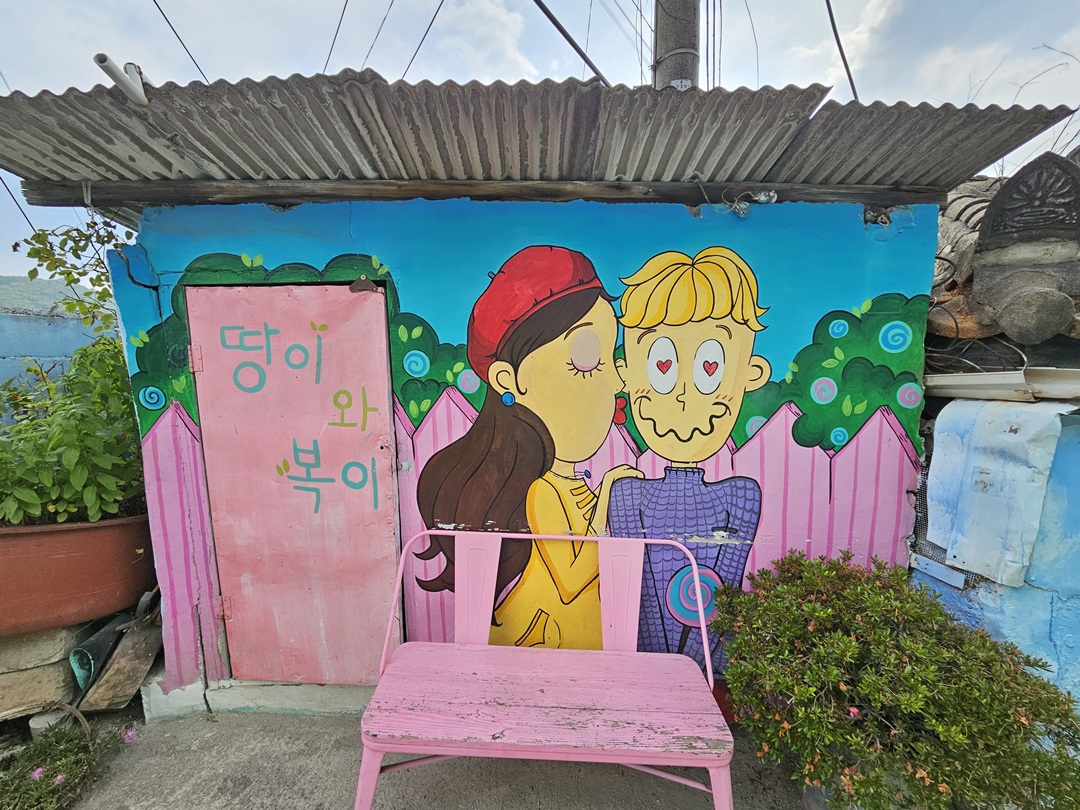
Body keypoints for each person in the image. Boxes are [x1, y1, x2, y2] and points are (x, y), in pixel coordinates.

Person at [417, 245, 641, 650]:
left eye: (612, 358)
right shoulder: (541, 491)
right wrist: (609, 493)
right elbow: (570, 580)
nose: (617, 381)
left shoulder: (571, 485)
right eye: (588, 358)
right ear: (510, 380)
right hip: (545, 637)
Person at [608, 245, 771, 672]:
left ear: (750, 373)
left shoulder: (741, 496)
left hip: (711, 665)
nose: (682, 393)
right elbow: (638, 593)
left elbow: (726, 591)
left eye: (709, 366)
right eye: (661, 366)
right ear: (627, 374)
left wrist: (698, 666)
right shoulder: (627, 495)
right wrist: (659, 668)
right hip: (644, 664)